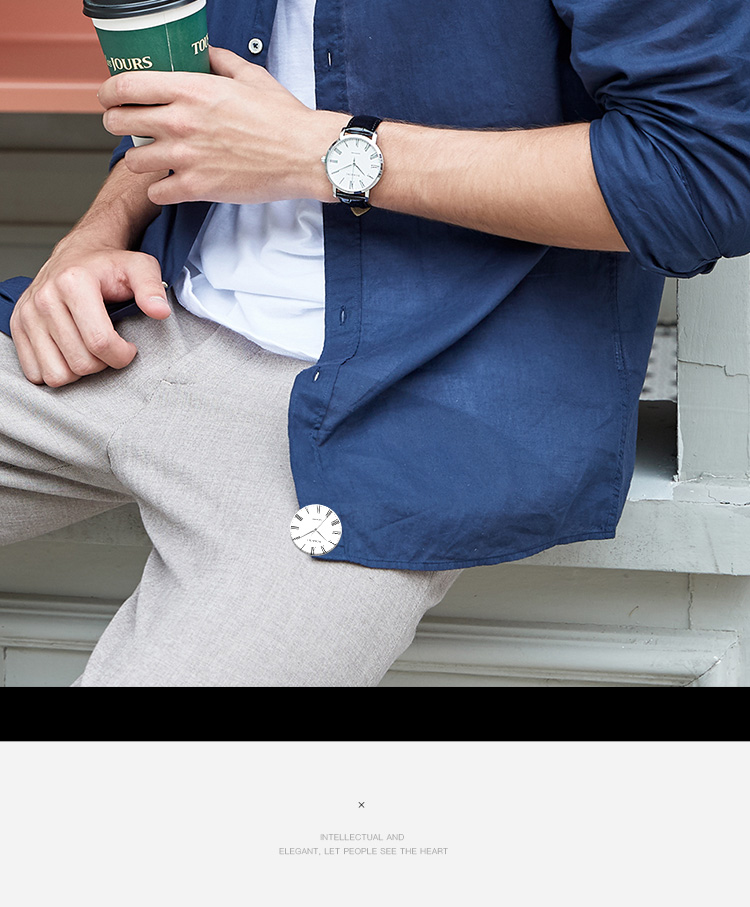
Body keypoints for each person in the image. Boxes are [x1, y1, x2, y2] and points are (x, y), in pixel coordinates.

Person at [1, 0, 749, 686]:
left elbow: (703, 174)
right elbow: (193, 102)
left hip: (396, 404)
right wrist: (98, 231)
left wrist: (326, 152)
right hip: (134, 326)